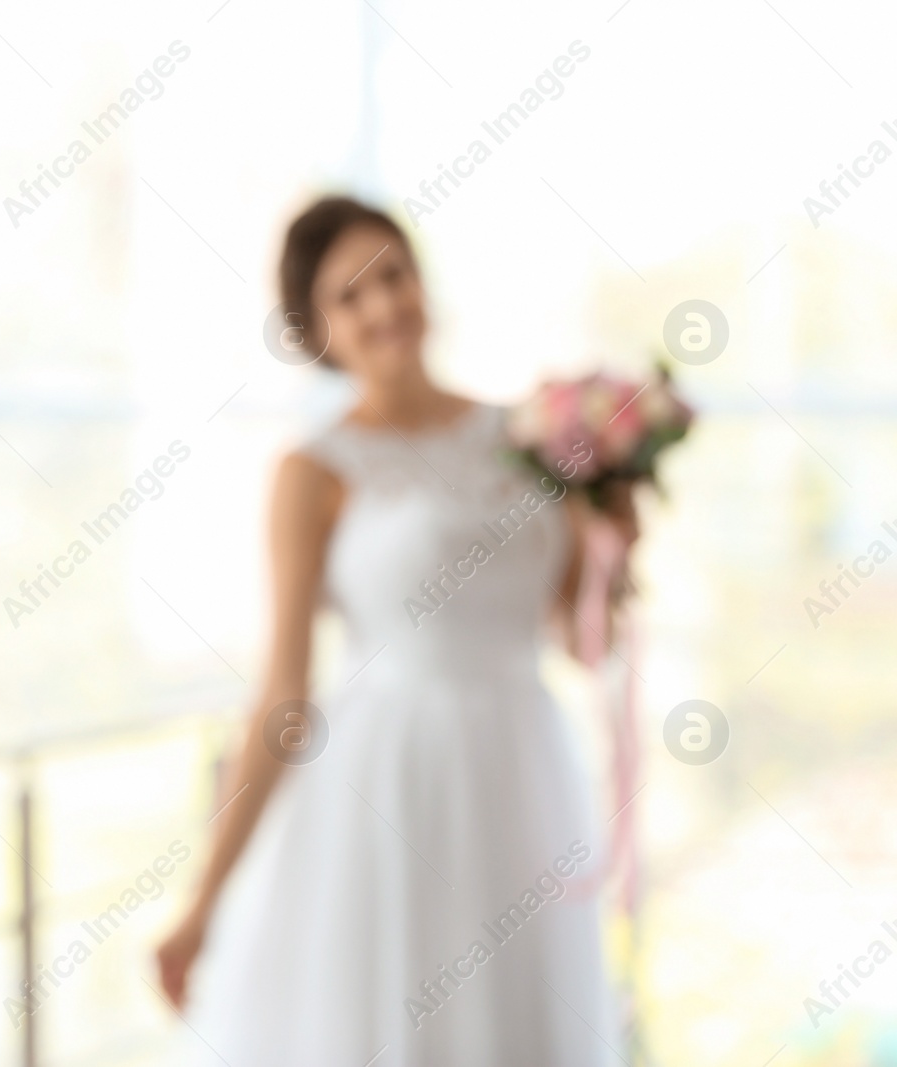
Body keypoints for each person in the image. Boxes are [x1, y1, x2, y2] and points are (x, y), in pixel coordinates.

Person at [155, 197, 621, 1065]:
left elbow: (583, 638)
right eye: (350, 296)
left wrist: (614, 534)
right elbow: (282, 696)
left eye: (395, 276)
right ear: (315, 329)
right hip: (387, 786)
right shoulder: (313, 471)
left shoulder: (532, 437)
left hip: (523, 767)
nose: (383, 308)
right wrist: (201, 902)